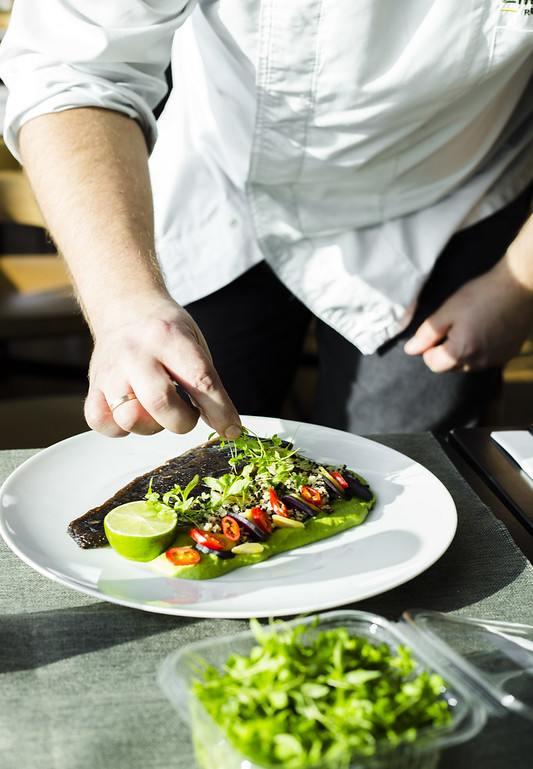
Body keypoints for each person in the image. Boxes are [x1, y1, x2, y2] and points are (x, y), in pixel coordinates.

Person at [0, 1, 532, 440]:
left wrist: (519, 284)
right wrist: (124, 306)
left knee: (411, 467)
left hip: (447, 203)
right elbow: (74, 68)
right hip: (220, 189)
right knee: (181, 455)